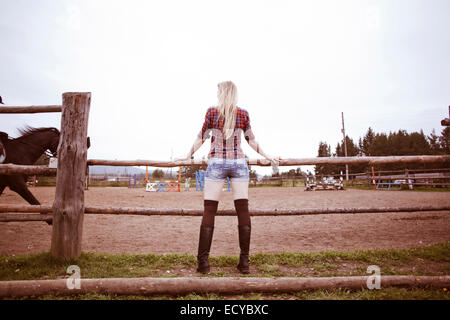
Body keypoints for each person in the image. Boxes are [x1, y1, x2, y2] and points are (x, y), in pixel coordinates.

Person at [178, 81, 279, 274]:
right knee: (243, 209)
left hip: (216, 163)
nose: (216, 94)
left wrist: (187, 155)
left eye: (218, 91)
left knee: (209, 209)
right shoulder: (243, 113)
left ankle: (203, 263)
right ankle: (244, 262)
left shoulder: (211, 112)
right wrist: (268, 156)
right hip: (239, 164)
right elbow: (252, 141)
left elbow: (201, 138)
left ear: (222, 93)